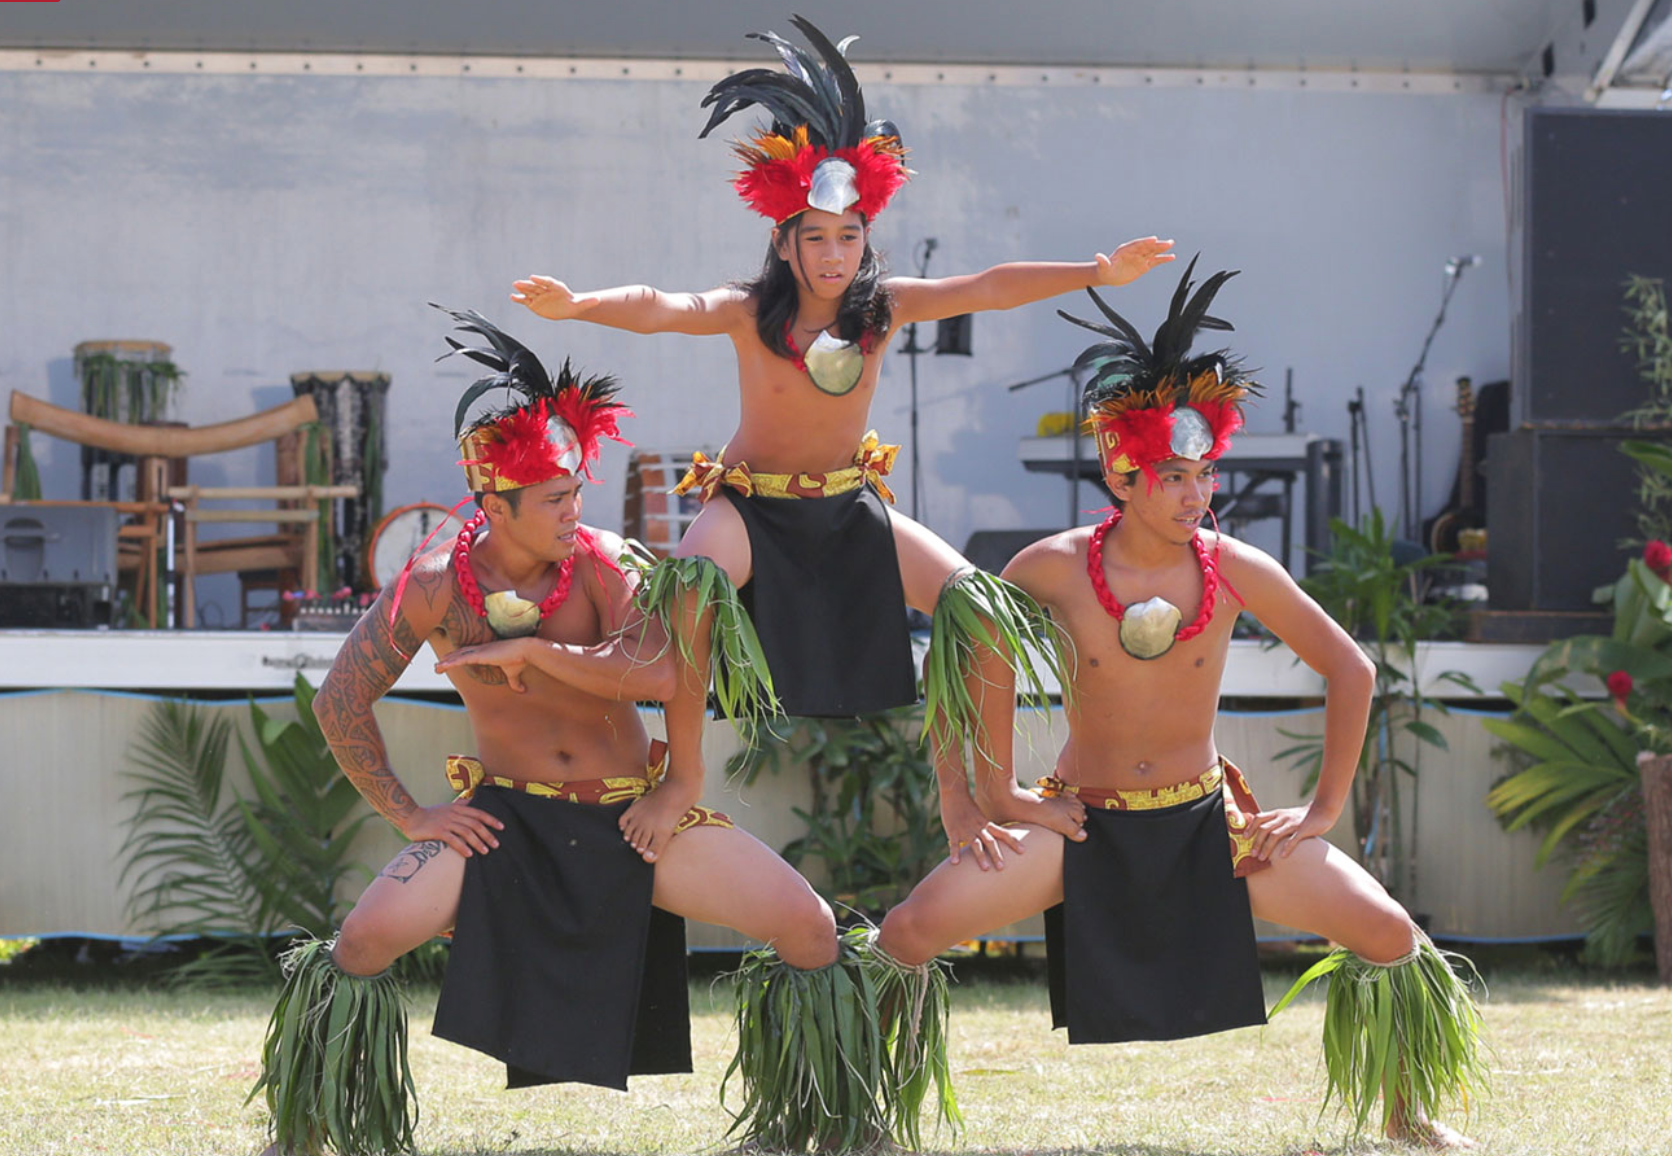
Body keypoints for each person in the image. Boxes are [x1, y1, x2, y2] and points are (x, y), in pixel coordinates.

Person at [510, 15, 1173, 870]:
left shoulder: (885, 306)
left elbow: (988, 287)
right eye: (815, 237)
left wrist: (1096, 270)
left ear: (866, 238)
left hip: (849, 506)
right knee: (687, 599)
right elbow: (662, 305)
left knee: (982, 613)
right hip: (752, 509)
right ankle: (680, 778)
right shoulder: (750, 312)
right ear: (783, 239)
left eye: (848, 236)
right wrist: (580, 304)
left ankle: (977, 790)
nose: (832, 254)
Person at [874, 260, 1486, 1148]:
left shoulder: (1235, 567)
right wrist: (975, 797)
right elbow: (966, 670)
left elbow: (1349, 669)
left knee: (1389, 932)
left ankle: (1406, 1113)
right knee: (909, 928)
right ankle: (859, 1104)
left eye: (1206, 476)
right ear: (1122, 477)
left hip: (1209, 826)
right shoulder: (1050, 565)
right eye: (1176, 478)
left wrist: (1323, 810)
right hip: (1081, 824)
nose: (1199, 496)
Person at [251, 309, 838, 1156]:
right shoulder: (430, 590)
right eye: (556, 497)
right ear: (495, 500)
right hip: (508, 824)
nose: (575, 509)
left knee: (808, 925)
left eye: (576, 491)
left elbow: (662, 672)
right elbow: (338, 703)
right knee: (362, 941)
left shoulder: (601, 562)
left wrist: (667, 776)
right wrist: (411, 815)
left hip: (630, 818)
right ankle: (306, 1132)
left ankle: (815, 1126)